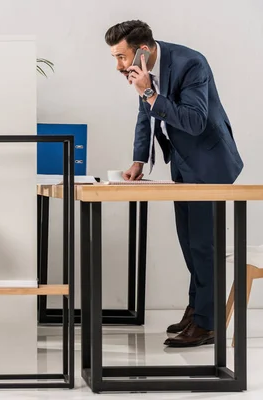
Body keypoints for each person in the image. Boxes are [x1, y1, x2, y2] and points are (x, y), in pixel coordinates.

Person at [105, 21, 243, 347]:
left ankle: (208, 324)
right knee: (189, 244)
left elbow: (194, 121)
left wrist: (150, 91)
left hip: (208, 164)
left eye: (121, 57)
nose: (118, 66)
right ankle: (197, 310)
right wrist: (139, 160)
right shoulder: (145, 70)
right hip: (182, 164)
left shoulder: (191, 63)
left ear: (143, 49)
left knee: (203, 247)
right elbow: (146, 115)